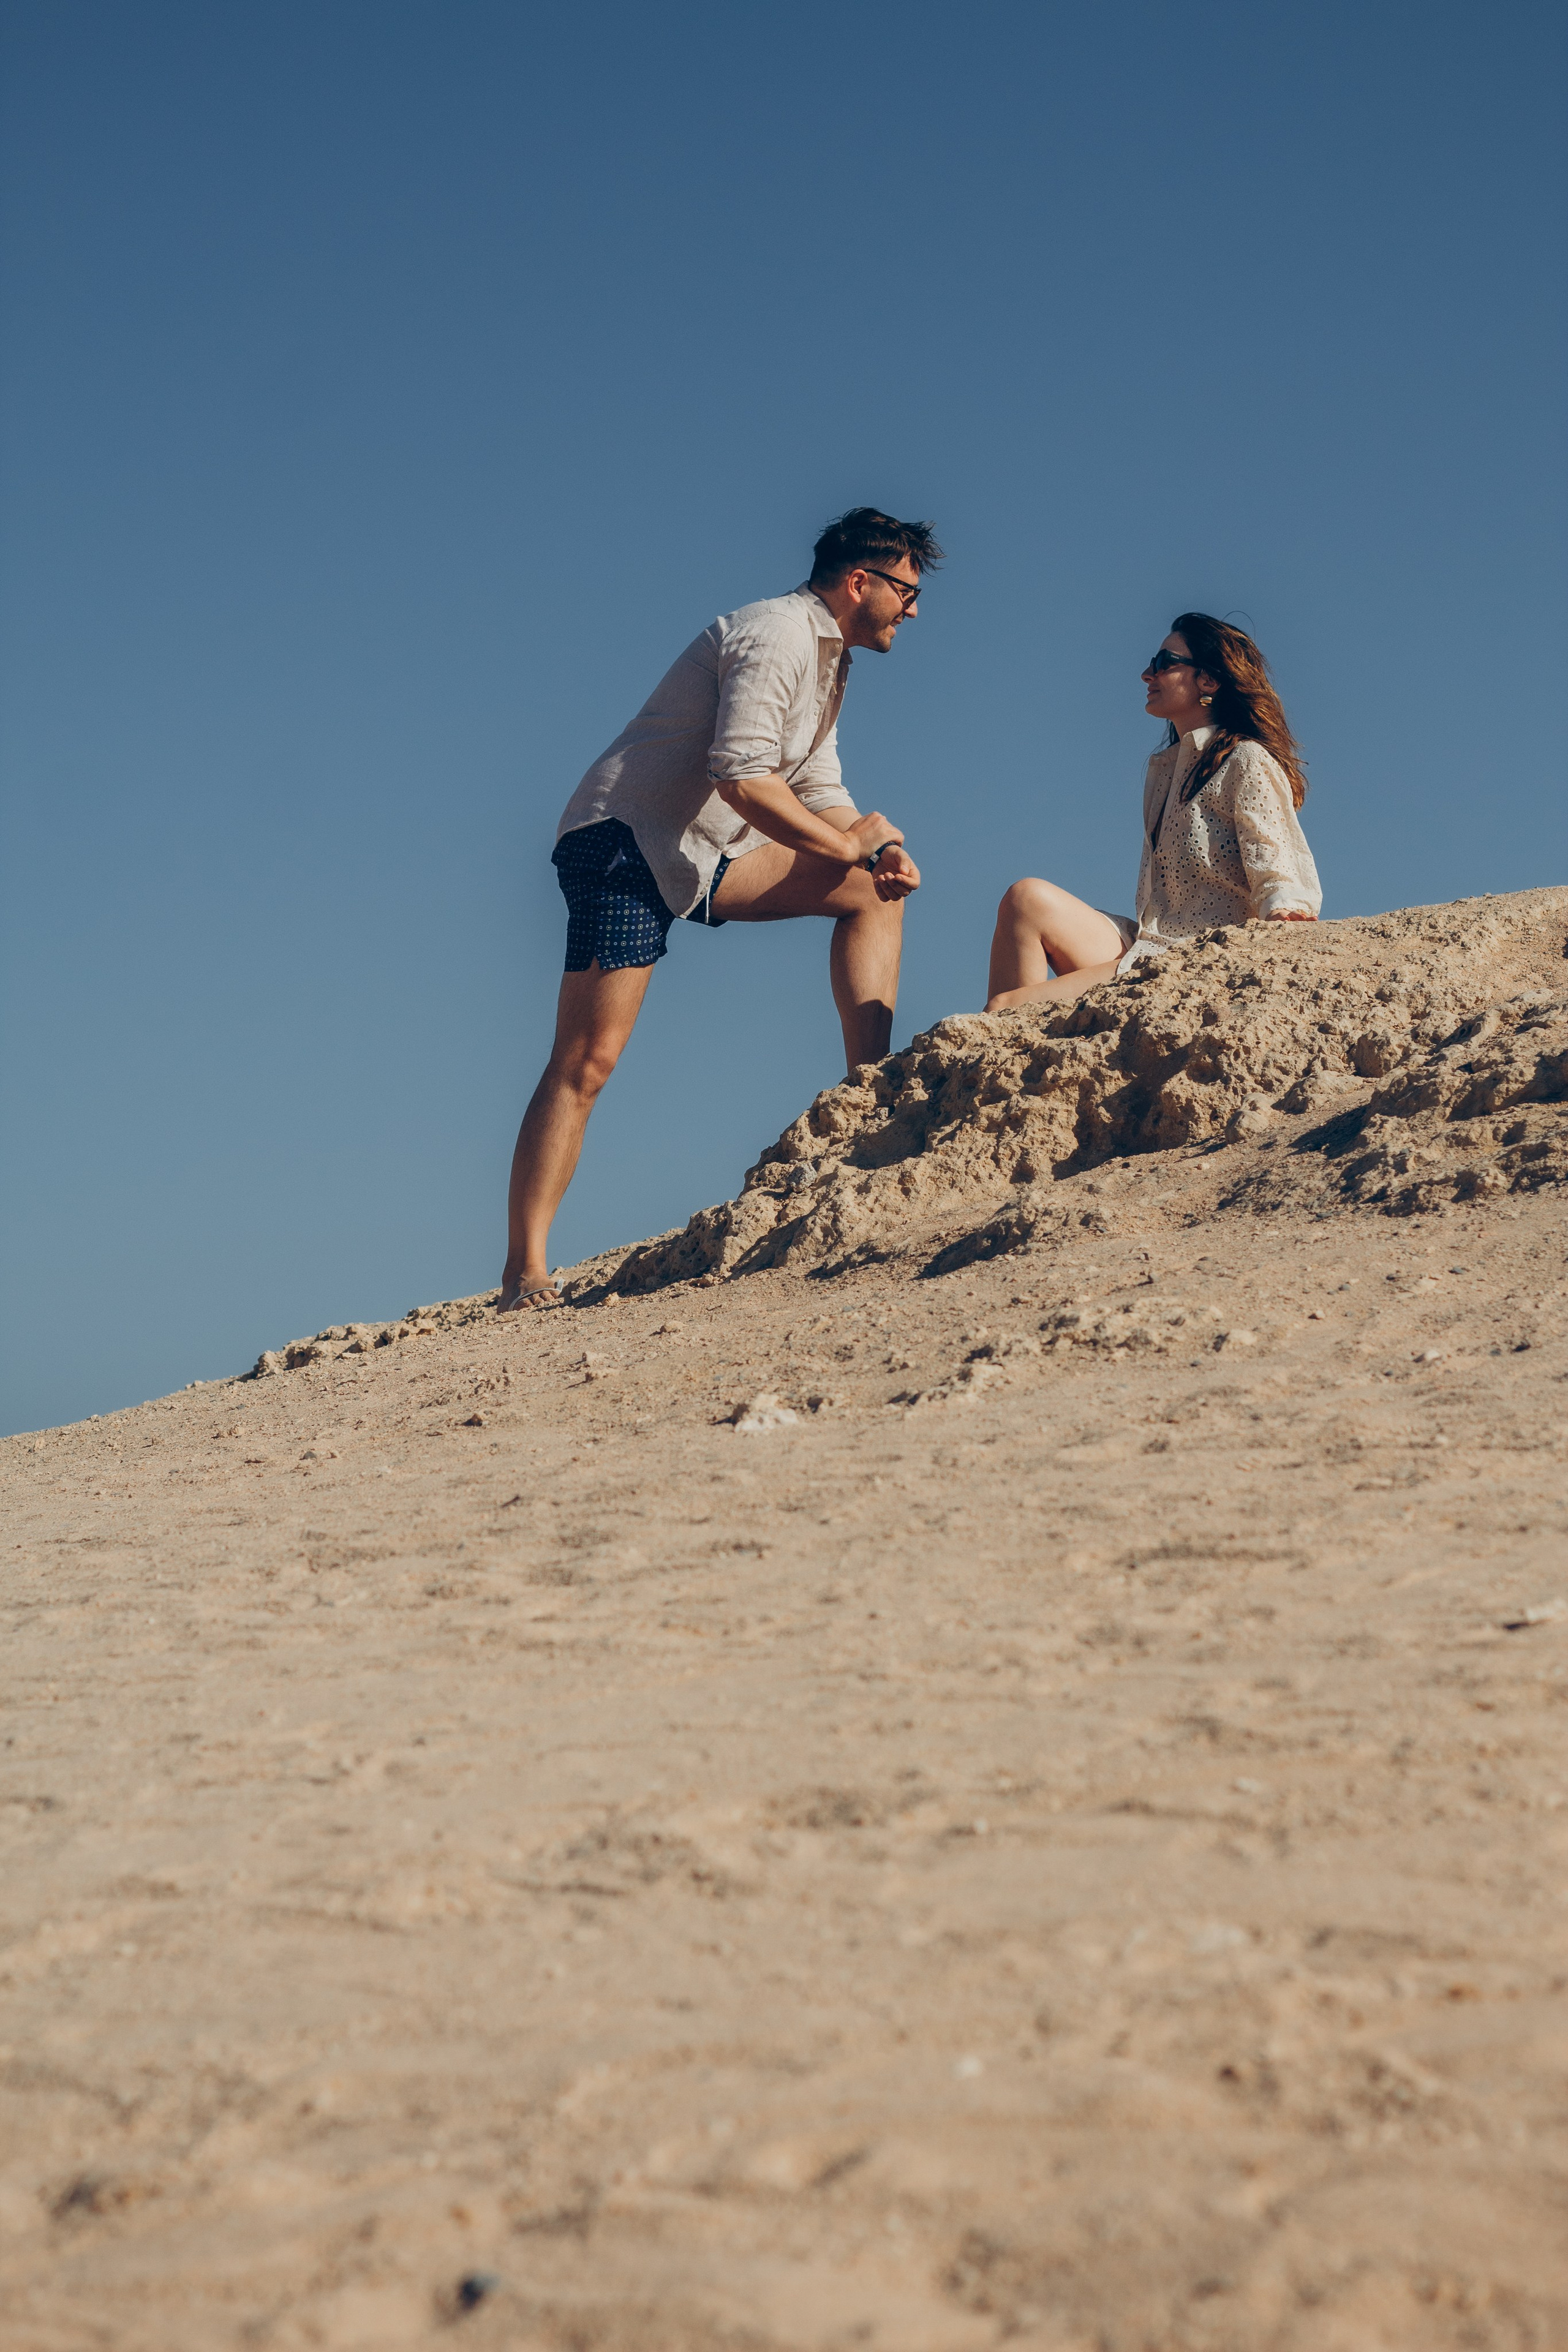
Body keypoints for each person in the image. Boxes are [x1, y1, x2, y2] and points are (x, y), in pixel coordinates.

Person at [500, 508, 943, 1311]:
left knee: (871, 896)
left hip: (704, 857)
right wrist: (846, 845)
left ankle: (866, 1091)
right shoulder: (774, 633)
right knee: (588, 1059)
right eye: (908, 591)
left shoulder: (830, 661)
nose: (915, 609)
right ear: (860, 582)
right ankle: (525, 1270)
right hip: (624, 844)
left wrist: (872, 853)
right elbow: (741, 776)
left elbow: (819, 789)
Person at [984, 612, 1321, 1012]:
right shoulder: (1164, 771)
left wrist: (1286, 909)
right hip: (1146, 942)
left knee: (1004, 1008)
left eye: (1164, 663)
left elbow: (1274, 853)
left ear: (1209, 680)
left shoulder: (1246, 758)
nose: (1148, 674)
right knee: (1025, 899)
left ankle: (1004, 1050)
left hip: (1193, 957)